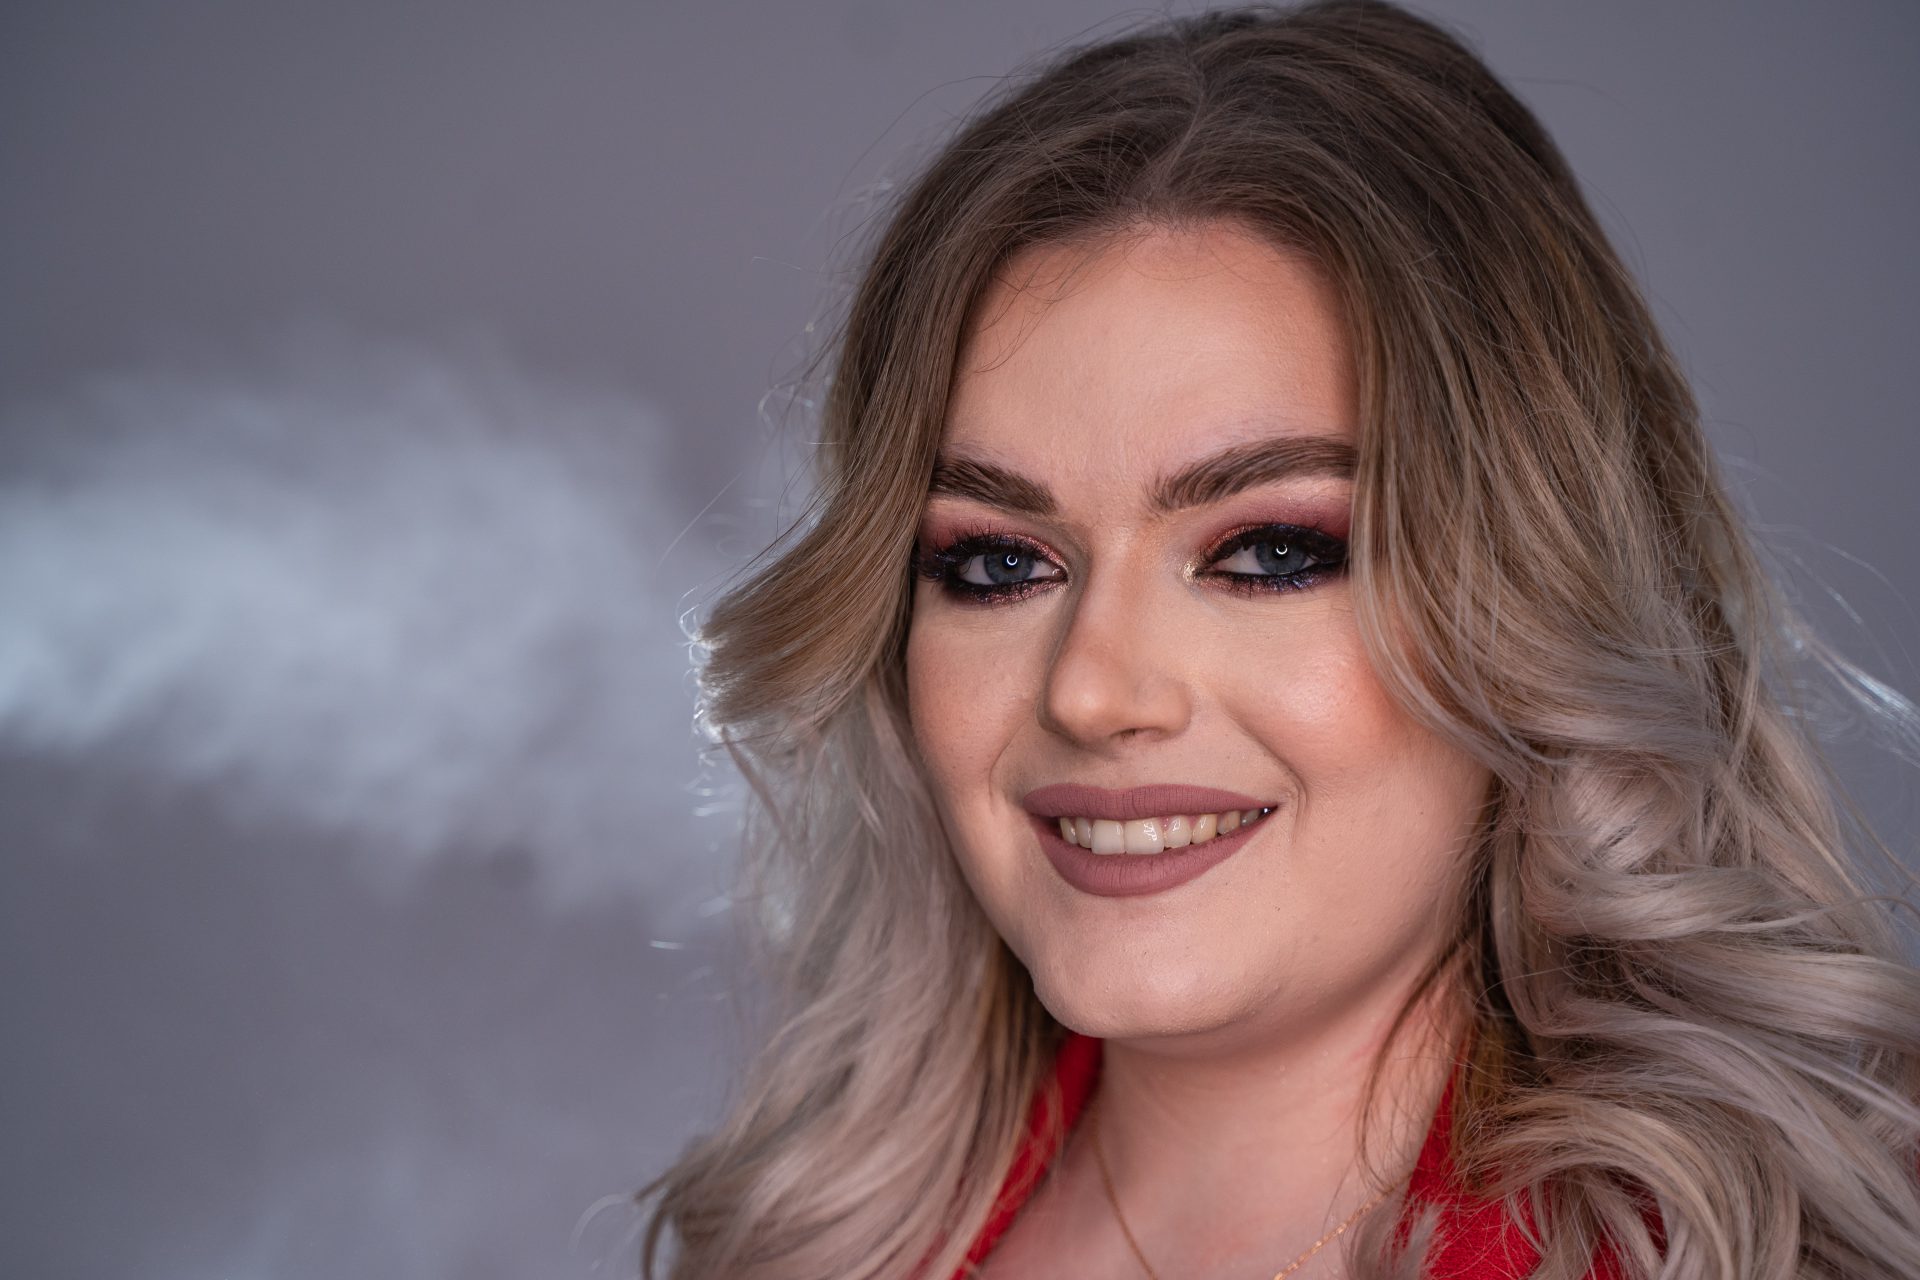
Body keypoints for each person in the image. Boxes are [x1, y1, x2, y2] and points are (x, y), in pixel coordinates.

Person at [635, 2, 1920, 1276]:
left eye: (1269, 552)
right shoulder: (801, 1244)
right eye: (999, 563)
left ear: (1533, 600)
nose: (1093, 690)